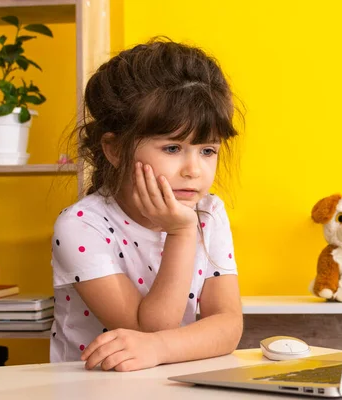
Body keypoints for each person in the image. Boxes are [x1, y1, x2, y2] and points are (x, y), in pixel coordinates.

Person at [49, 36, 244, 372]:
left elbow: (228, 325)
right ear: (114, 149)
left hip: (166, 379)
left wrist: (158, 348)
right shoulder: (80, 226)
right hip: (91, 390)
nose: (194, 170)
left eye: (207, 151)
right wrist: (182, 233)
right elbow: (147, 329)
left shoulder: (209, 212)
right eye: (172, 148)